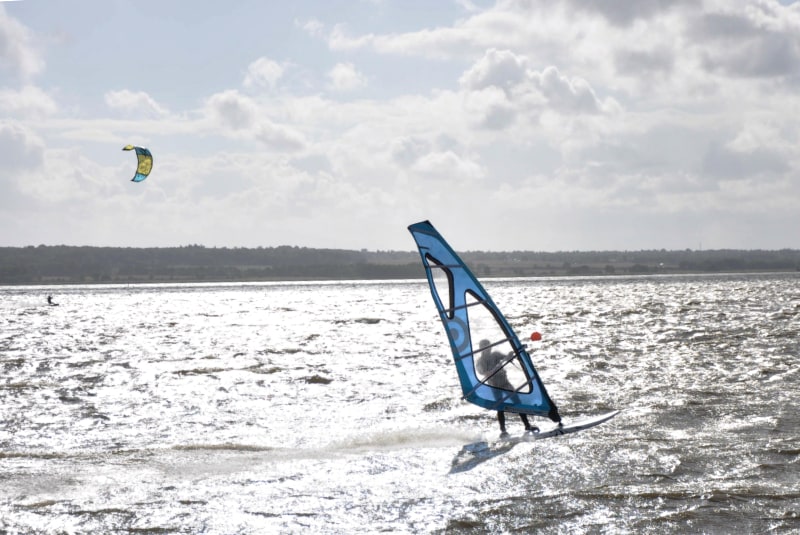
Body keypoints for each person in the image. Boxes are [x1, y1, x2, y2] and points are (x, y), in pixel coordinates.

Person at [477, 339, 536, 436]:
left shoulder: (495, 355)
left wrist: (510, 355)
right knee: (500, 408)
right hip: (495, 387)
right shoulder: (480, 361)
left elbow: (507, 357)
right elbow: (484, 373)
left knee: (518, 403)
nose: (489, 349)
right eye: (486, 348)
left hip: (505, 383)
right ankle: (503, 431)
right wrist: (495, 368)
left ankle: (527, 425)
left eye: (490, 347)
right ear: (481, 349)